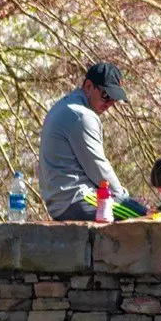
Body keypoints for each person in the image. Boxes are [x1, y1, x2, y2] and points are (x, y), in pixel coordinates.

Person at [38, 62, 130, 221]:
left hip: (62, 202)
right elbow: (98, 166)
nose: (109, 104)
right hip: (77, 199)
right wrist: (123, 197)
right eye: (106, 96)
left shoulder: (65, 106)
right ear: (88, 86)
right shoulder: (82, 116)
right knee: (138, 214)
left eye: (114, 100)